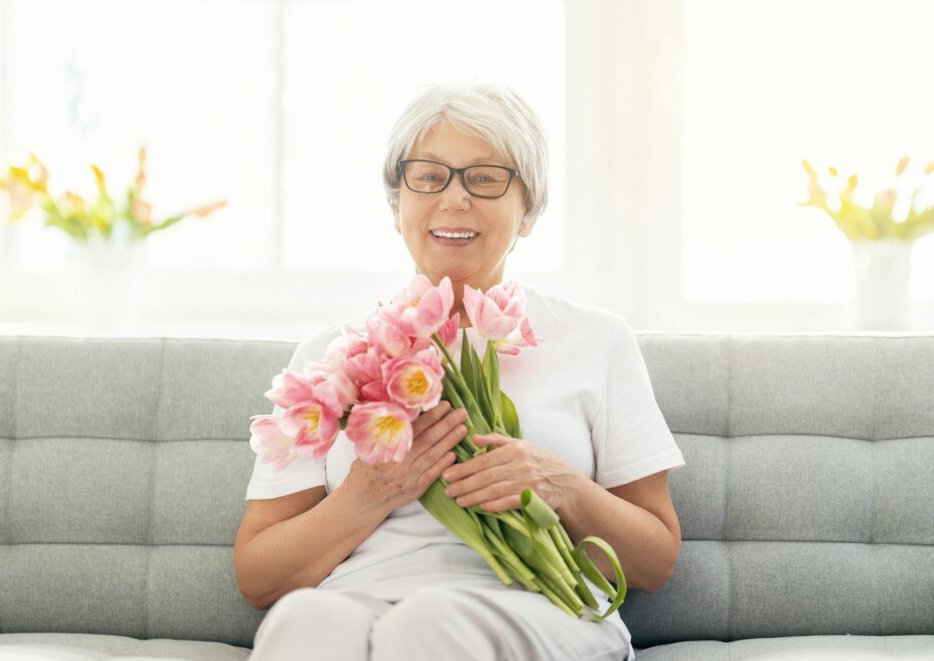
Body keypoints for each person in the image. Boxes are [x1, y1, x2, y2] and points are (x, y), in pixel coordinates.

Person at [234, 82, 685, 661]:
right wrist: (369, 494)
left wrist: (556, 484)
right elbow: (259, 580)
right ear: (396, 205)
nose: (454, 199)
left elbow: (655, 561)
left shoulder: (596, 341)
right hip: (359, 602)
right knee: (302, 622)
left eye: (486, 178)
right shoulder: (331, 359)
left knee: (429, 623)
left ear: (529, 210)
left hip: (540, 608)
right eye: (428, 176)